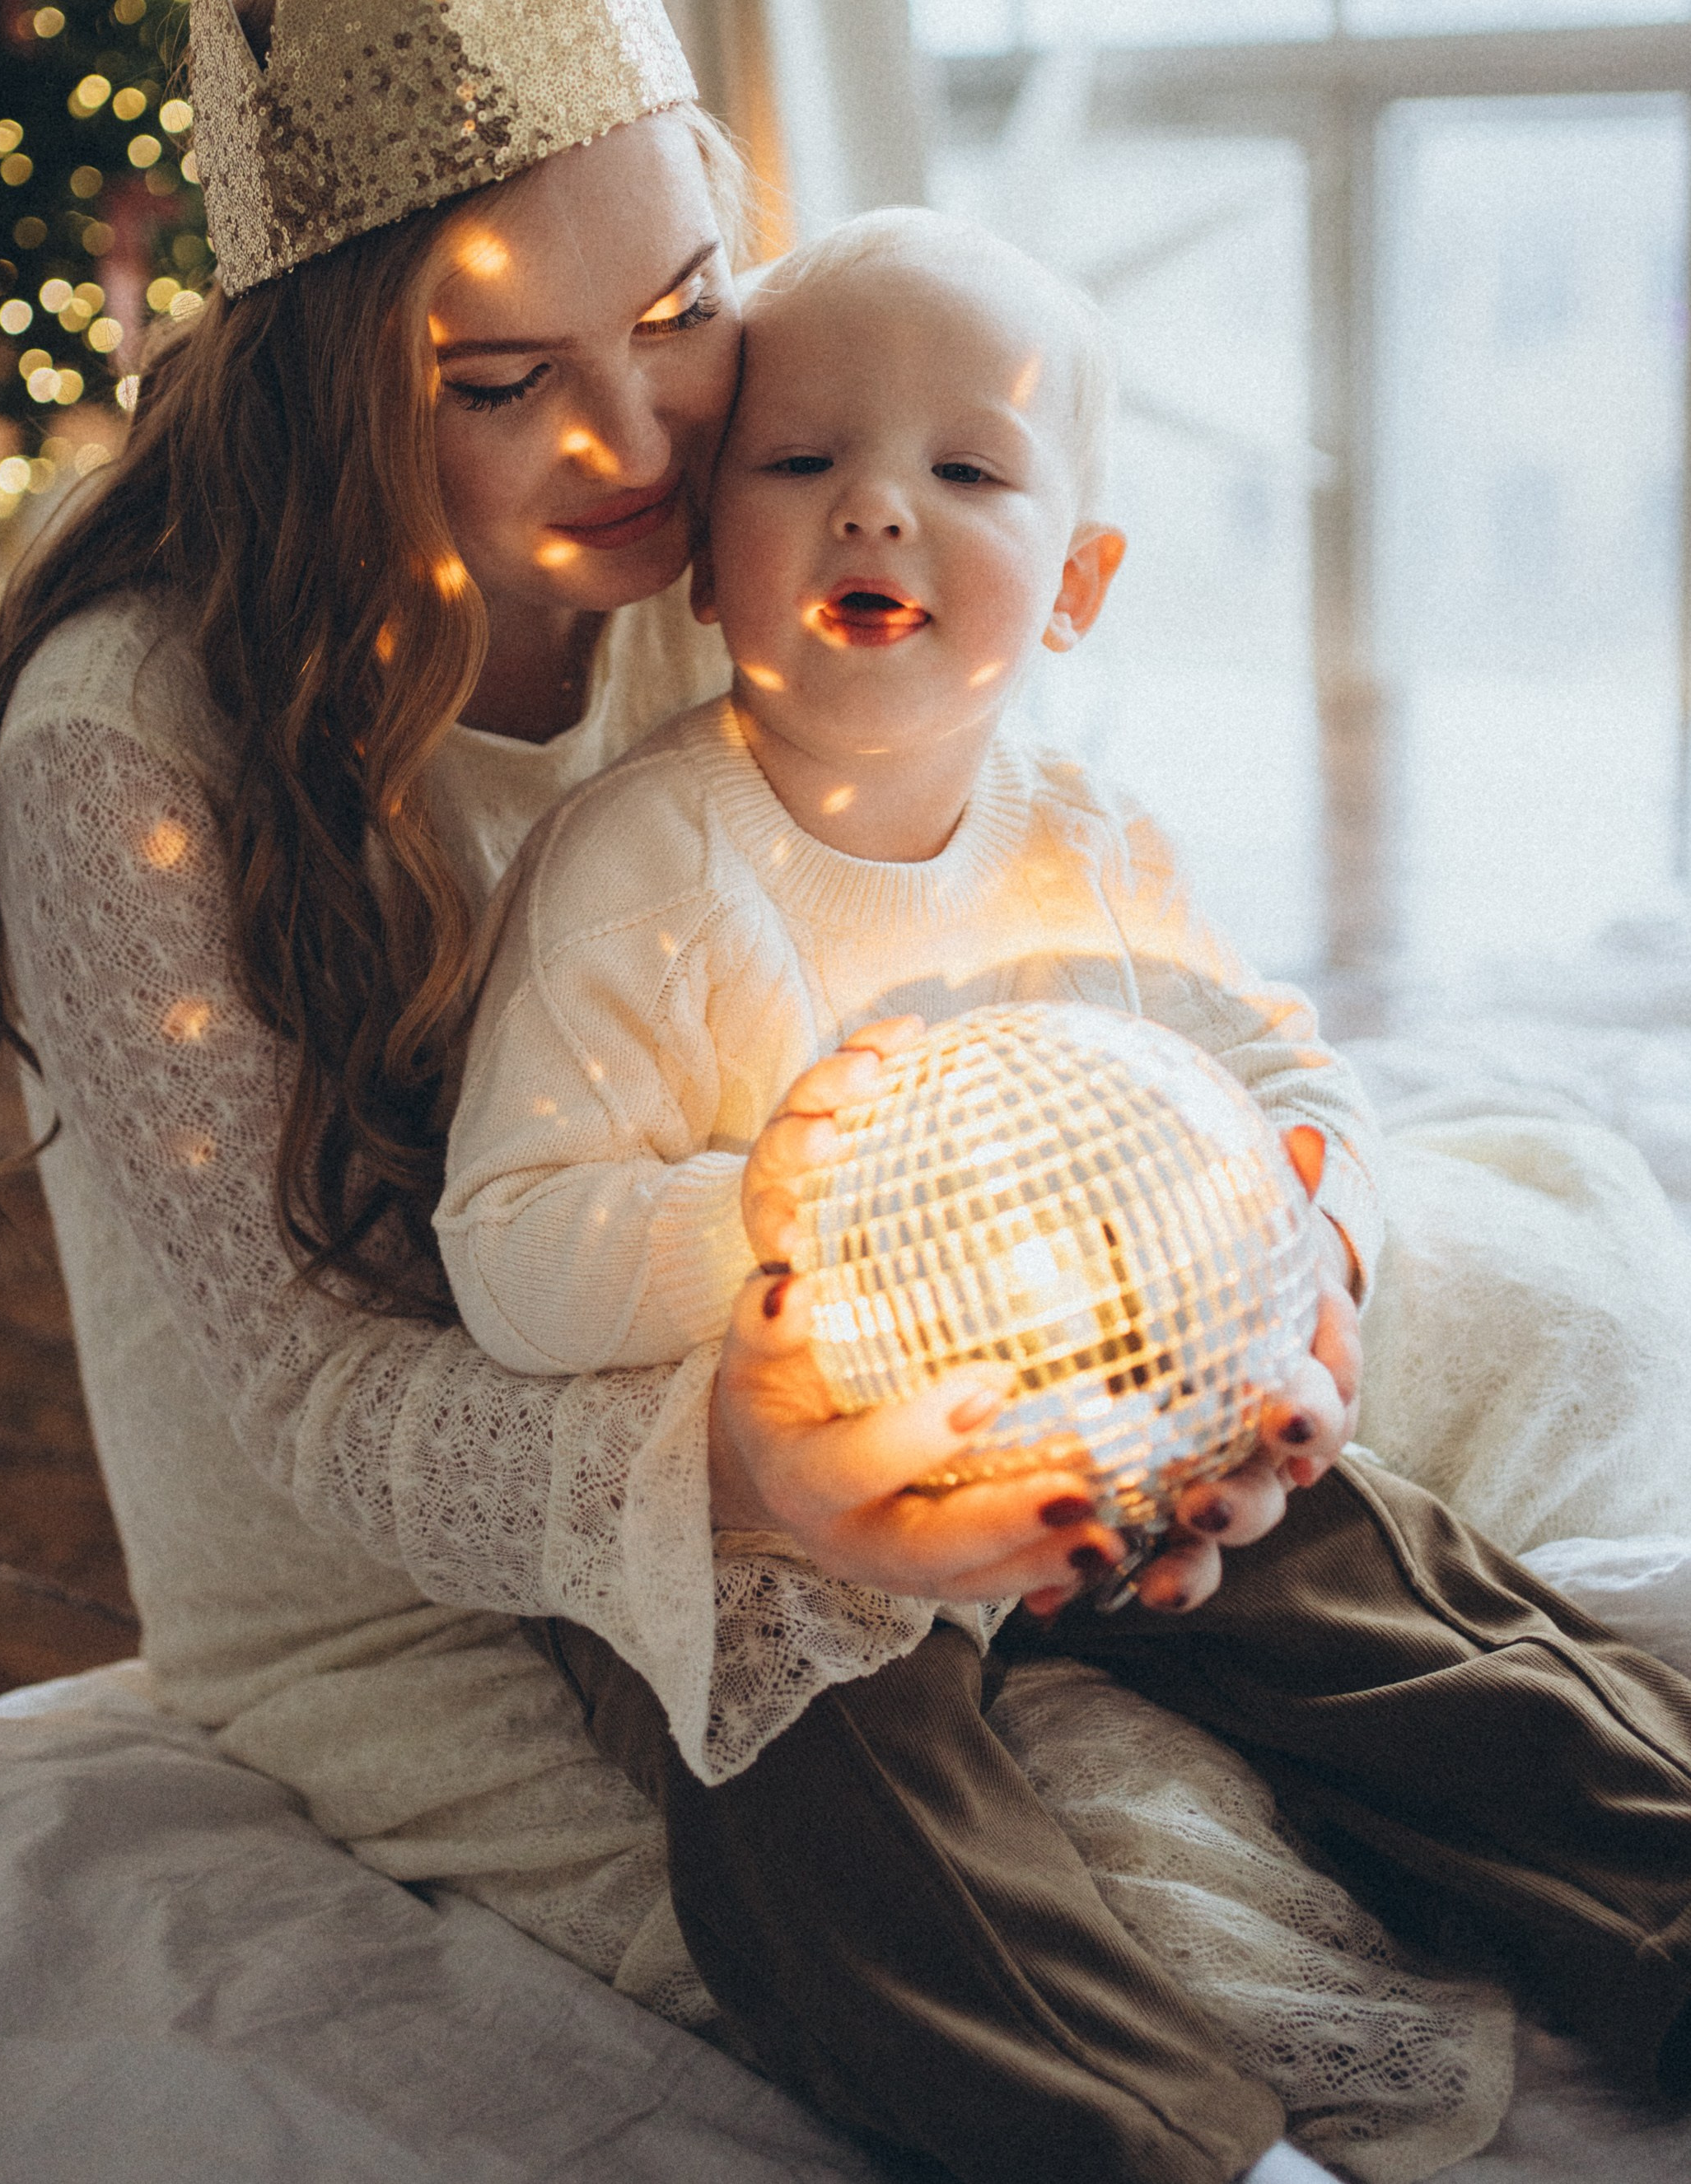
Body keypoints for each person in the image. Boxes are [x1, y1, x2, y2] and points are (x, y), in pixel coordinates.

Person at [0, 0, 1381, 2175]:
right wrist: (745, 1471)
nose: (630, 440)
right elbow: (306, 1400)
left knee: (1326, 1503)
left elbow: (1015, 906)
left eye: (684, 310)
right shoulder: (130, 746)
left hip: (788, 1320)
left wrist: (1245, 1217)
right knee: (919, 1868)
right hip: (413, 1554)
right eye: (492, 385)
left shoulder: (728, 519)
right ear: (324, 393)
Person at [435, 209, 1691, 2184]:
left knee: (1379, 1579)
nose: (873, 513)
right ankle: (1144, 2139)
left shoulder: (1086, 841)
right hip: (775, 1494)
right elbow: (503, 1253)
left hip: (1106, 1404)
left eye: (962, 469)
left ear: (1078, 578)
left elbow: (1280, 1066)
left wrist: (1311, 1238)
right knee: (815, 1807)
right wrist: (773, 1203)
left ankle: (1658, 1896)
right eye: (797, 463)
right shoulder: (645, 871)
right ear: (702, 548)